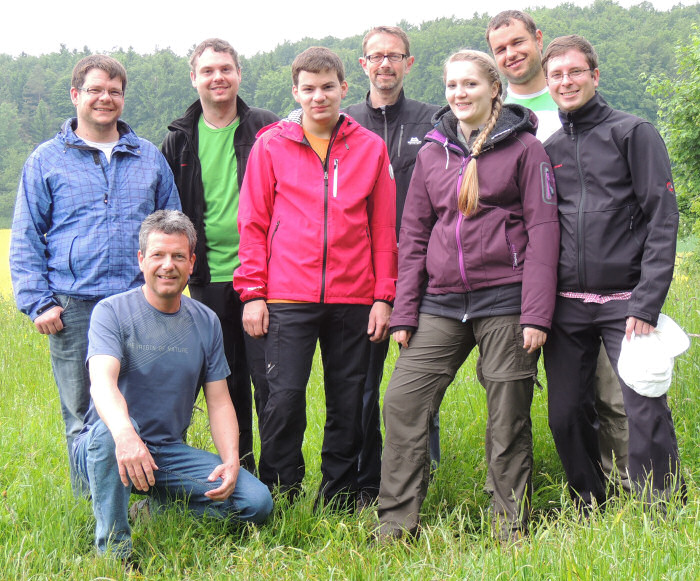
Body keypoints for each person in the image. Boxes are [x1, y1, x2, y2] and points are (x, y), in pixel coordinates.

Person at [378, 50, 559, 542]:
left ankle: (509, 525)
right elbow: (413, 236)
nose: (460, 94)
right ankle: (396, 522)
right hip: (440, 300)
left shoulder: (526, 150)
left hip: (506, 298)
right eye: (452, 85)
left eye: (470, 85)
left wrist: (537, 313)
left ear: (493, 89)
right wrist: (404, 312)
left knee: (507, 412)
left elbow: (544, 232)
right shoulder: (433, 152)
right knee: (402, 402)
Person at [234, 46, 397, 510]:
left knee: (349, 403)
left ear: (345, 88)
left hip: (355, 297)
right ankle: (281, 496)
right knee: (283, 400)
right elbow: (254, 223)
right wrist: (253, 293)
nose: (318, 96)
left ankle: (339, 496)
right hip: (287, 296)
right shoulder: (271, 144)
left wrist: (384, 296)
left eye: (328, 87)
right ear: (296, 92)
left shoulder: (369, 146)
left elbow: (385, 228)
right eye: (309, 89)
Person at [10, 55, 180, 495]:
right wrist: (38, 301)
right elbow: (27, 235)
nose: (105, 98)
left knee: (144, 405)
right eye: (95, 90)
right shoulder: (45, 160)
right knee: (82, 412)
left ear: (123, 98)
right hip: (74, 306)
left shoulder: (149, 158)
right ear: (75, 96)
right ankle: (95, 504)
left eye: (114, 91)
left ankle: (147, 496)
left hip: (138, 306)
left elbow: (172, 227)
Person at [71, 210, 272, 561]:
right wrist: (126, 437)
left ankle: (154, 511)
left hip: (165, 452)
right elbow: (102, 384)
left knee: (256, 504)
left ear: (192, 262)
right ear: (141, 259)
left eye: (178, 256)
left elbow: (220, 401)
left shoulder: (205, 320)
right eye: (158, 255)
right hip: (106, 445)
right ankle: (114, 551)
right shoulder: (111, 312)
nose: (168, 265)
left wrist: (229, 461)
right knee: (112, 430)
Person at [486, 9, 629, 491]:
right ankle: (579, 488)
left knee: (613, 394)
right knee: (553, 400)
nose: (511, 53)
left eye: (519, 42)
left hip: (604, 274)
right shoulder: (497, 111)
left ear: (538, 40)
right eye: (501, 48)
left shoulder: (571, 95)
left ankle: (630, 489)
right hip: (533, 279)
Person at [541, 35, 684, 509]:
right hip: (567, 305)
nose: (566, 81)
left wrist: (647, 301)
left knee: (642, 405)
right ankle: (589, 502)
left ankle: (661, 503)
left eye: (575, 71)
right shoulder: (552, 146)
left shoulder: (632, 131)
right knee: (564, 414)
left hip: (627, 301)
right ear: (548, 82)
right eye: (557, 74)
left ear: (595, 75)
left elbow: (662, 218)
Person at [162, 38, 279, 474]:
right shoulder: (178, 140)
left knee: (270, 383)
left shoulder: (266, 128)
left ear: (238, 74)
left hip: (265, 278)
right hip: (208, 279)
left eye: (225, 69)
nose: (218, 78)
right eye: (208, 71)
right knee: (225, 384)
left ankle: (278, 479)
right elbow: (168, 212)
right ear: (194, 78)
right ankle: (240, 473)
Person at [344, 25, 440, 507]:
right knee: (363, 383)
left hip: (425, 271)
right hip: (365, 274)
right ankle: (365, 479)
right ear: (362, 64)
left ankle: (423, 473)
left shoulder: (435, 119)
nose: (385, 64)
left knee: (421, 380)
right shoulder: (343, 122)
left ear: (409, 63)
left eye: (395, 56)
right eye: (376, 57)